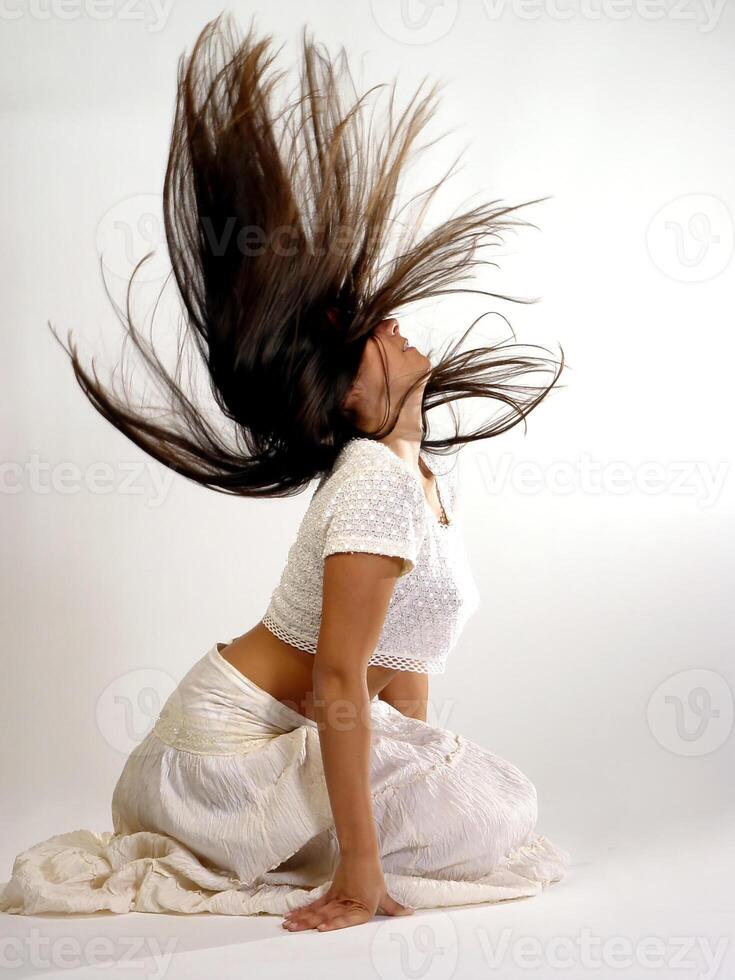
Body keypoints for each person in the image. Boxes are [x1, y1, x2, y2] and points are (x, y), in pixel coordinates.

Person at [0, 13, 570, 931]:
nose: (391, 326)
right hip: (218, 757)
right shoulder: (373, 483)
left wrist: (419, 764)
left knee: (482, 804)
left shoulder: (421, 479)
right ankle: (301, 844)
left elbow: (400, 664)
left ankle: (363, 826)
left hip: (291, 739)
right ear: (347, 399)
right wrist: (361, 868)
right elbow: (339, 684)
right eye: (367, 336)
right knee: (489, 811)